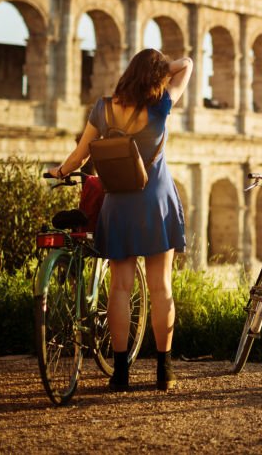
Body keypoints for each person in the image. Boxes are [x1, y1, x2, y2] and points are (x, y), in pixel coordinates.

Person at [51, 48, 192, 392]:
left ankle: (121, 373)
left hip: (118, 205)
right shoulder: (161, 105)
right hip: (155, 201)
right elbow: (185, 64)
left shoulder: (103, 107)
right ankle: (164, 372)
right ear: (156, 77)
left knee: (119, 289)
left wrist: (62, 170)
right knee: (161, 289)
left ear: (128, 73)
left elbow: (82, 152)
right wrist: (162, 68)